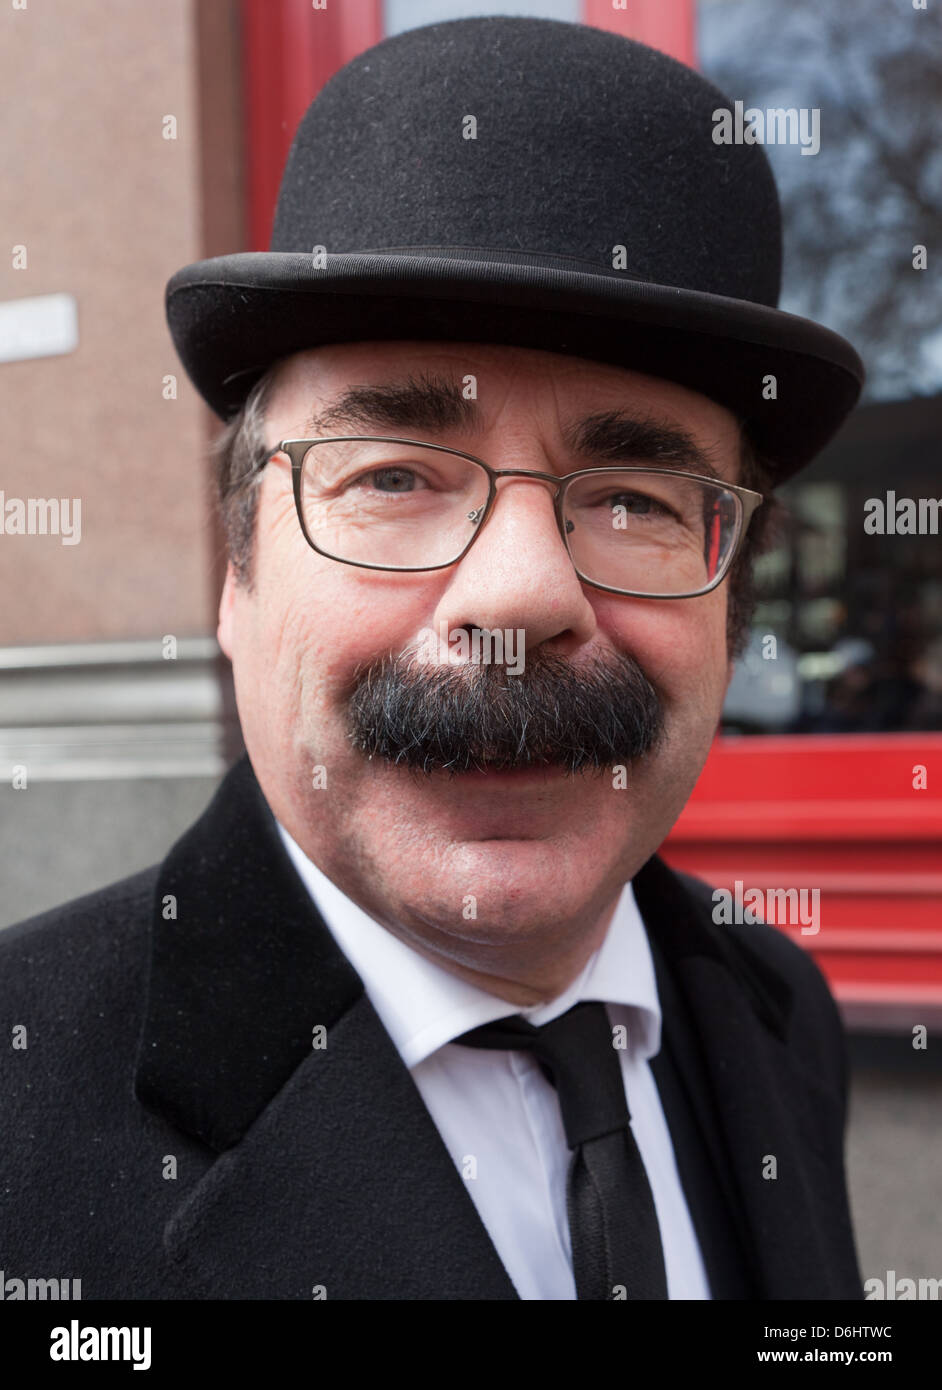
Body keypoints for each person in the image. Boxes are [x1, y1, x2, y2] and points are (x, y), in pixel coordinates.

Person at [0, 16, 865, 1300]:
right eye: (394, 474)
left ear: (733, 603)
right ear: (235, 574)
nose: (521, 596)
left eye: (634, 498)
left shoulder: (776, 1008)